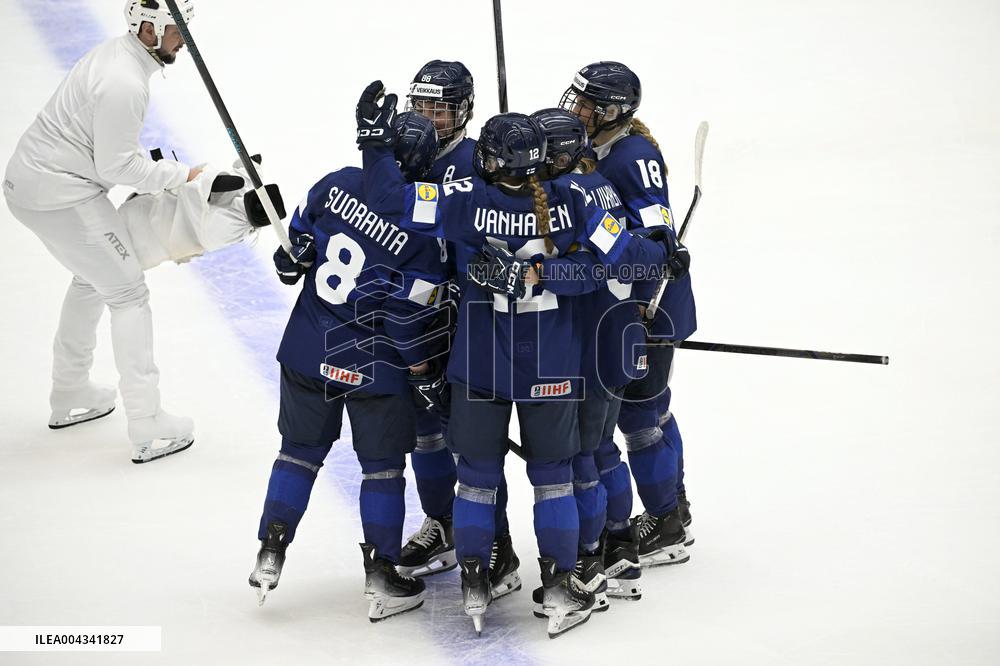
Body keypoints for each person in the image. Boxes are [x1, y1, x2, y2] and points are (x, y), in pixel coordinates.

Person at [356, 81, 669, 637]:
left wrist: (375, 143)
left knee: (475, 481)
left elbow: (386, 201)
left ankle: (476, 578)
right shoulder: (575, 201)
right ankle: (562, 582)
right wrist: (562, 270)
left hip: (479, 368)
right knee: (555, 480)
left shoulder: (463, 203)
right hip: (553, 367)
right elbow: (628, 262)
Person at [248, 113, 450, 624]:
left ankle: (271, 549)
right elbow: (417, 307)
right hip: (376, 366)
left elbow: (294, 248)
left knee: (296, 454)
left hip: (308, 349)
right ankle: (383, 574)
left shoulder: (334, 184)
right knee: (381, 470)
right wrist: (425, 373)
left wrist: (291, 259)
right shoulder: (424, 229)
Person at [2, 0, 200, 463]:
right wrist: (180, 176)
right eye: (178, 29)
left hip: (32, 184)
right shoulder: (125, 82)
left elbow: (105, 156)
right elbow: (116, 166)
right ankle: (148, 423)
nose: (184, 40)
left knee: (93, 277)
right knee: (128, 292)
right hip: (60, 195)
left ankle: (71, 390)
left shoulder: (117, 56)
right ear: (148, 28)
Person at [561, 61, 697, 565]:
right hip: (626, 307)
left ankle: (665, 523)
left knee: (642, 413)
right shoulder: (597, 147)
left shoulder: (633, 157)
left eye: (586, 104)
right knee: (651, 409)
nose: (575, 109)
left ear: (614, 111)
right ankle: (673, 509)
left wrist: (640, 307)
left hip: (647, 308)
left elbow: (655, 234)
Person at [396, 59, 477, 579]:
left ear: (463, 111)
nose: (428, 116)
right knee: (424, 431)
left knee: (474, 442)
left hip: (466, 320)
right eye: (420, 105)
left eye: (439, 108)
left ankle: (487, 543)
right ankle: (441, 522)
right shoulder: (406, 152)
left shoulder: (474, 161)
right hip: (416, 318)